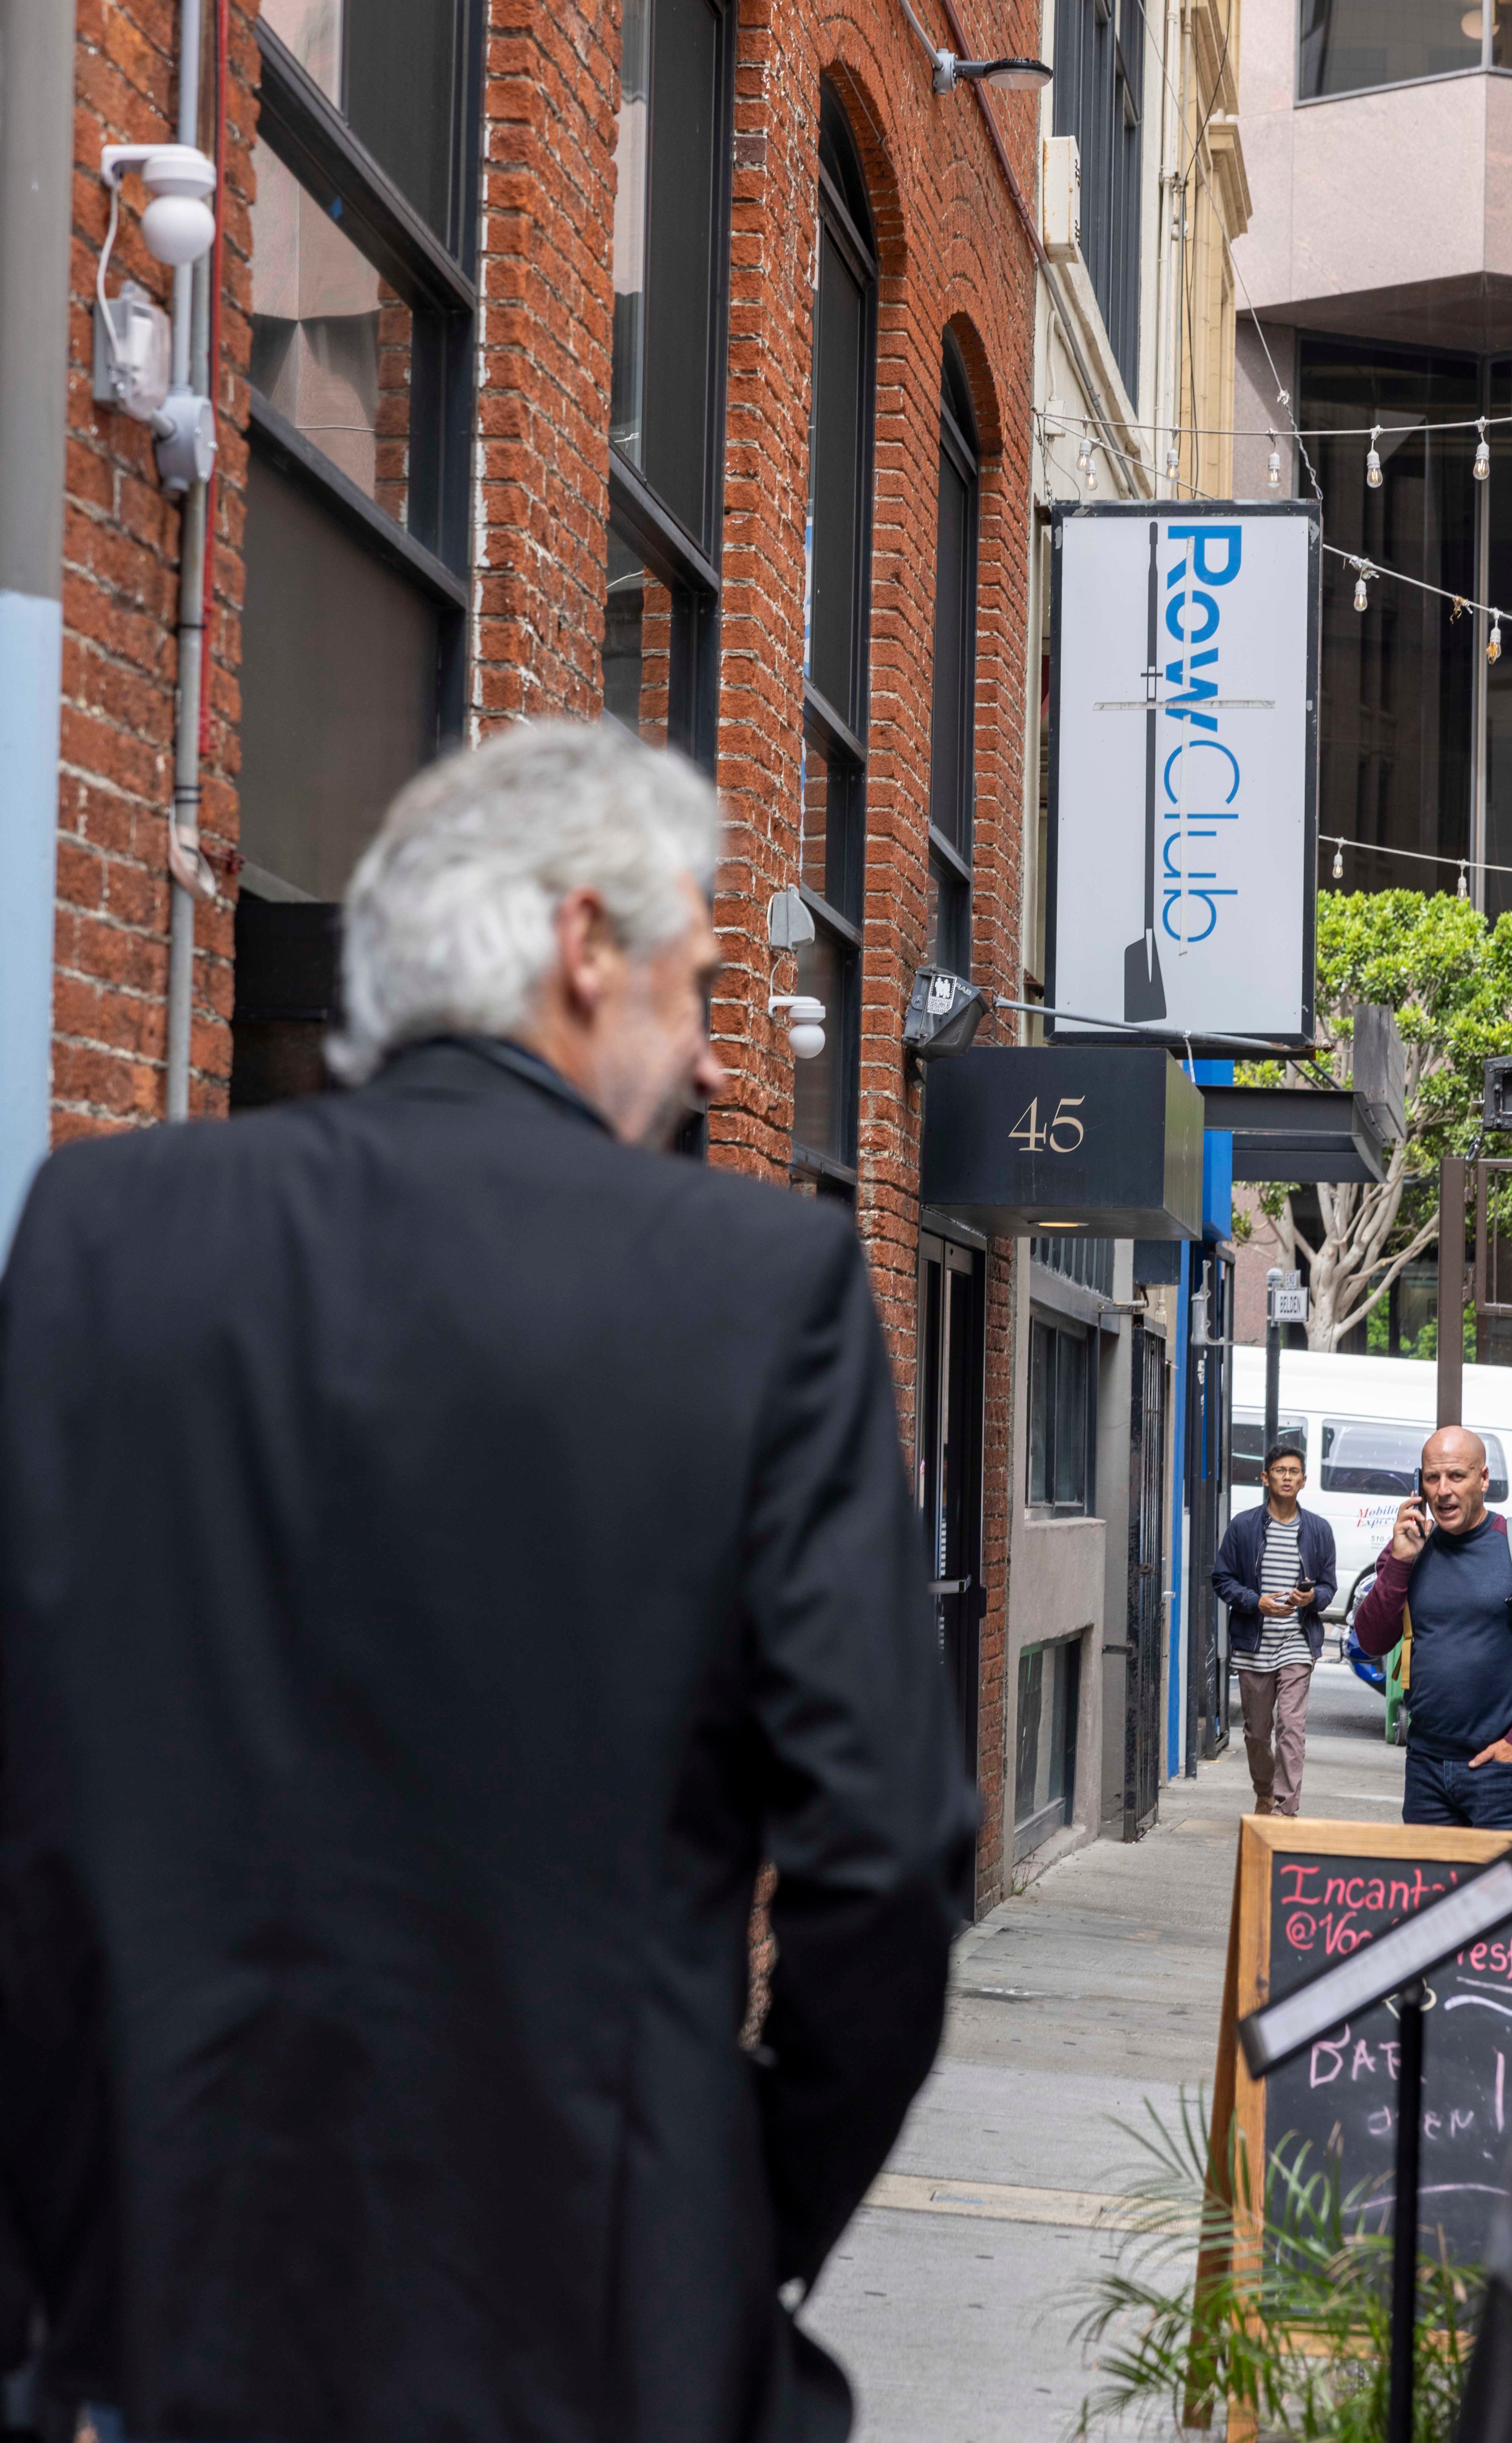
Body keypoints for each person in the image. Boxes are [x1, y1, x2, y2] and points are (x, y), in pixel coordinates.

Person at [0, 719, 972, 2443]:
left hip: (149, 2299)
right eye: (692, 979)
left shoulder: (97, 1231)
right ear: (585, 948)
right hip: (593, 2318)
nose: (709, 1060)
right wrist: (734, 2211)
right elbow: (882, 1862)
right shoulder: (759, 1288)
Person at [1352, 1423, 1512, 1829]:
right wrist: (1401, 1561)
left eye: (1457, 1476)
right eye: (1432, 1477)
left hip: (1503, 1774)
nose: (1443, 1490)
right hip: (1426, 1770)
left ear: (1483, 1479)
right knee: (1430, 1894)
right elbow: (1372, 1638)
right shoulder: (1408, 1547)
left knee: (1507, 1894)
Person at [1212, 1441, 1337, 1818]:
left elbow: (1329, 1588)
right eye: (1280, 1471)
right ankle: (1264, 1791)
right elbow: (1222, 1578)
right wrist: (1255, 1601)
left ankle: (1286, 1809)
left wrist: (1310, 1598)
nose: (1287, 1477)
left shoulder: (1318, 1529)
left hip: (1297, 1642)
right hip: (1254, 1643)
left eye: (1294, 1471)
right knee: (1256, 1732)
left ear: (1303, 1480)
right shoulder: (1244, 1526)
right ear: (1266, 1477)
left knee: (1292, 1728)